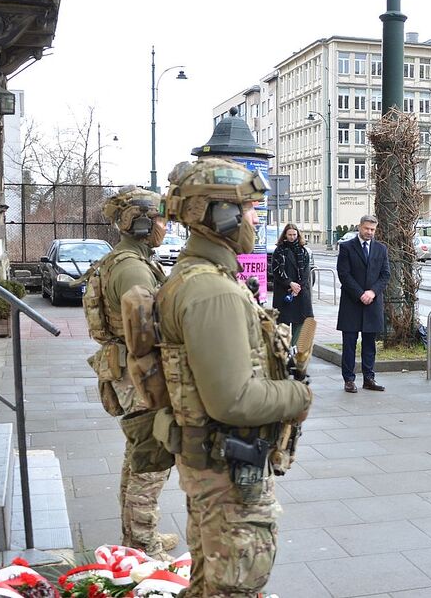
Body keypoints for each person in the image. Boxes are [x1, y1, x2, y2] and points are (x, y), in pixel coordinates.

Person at [157, 158, 313, 596]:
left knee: (210, 583)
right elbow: (233, 399)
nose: (255, 218)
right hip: (227, 472)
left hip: (214, 464)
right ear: (219, 215)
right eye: (248, 210)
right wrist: (296, 396)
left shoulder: (204, 278)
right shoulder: (212, 290)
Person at [83, 187, 178, 558]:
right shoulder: (133, 267)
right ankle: (144, 545)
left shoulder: (128, 259)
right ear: (139, 223)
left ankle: (136, 538)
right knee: (151, 461)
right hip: (142, 374)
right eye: (158, 219)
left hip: (130, 369)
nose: (163, 226)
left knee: (138, 456)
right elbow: (150, 328)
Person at [337, 215, 390, 393]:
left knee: (369, 343)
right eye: (367, 228)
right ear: (360, 227)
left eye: (372, 230)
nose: (369, 232)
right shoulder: (346, 247)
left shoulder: (381, 249)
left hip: (372, 303)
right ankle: (349, 380)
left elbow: (385, 275)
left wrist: (372, 292)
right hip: (352, 302)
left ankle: (369, 378)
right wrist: (360, 294)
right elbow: (344, 274)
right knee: (349, 343)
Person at [270, 223, 314, 345]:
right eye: (289, 234)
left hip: (300, 292)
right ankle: (283, 351)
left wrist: (298, 286)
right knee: (283, 323)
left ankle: (295, 350)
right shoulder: (279, 251)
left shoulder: (303, 251)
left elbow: (306, 271)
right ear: (285, 235)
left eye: (294, 234)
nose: (292, 237)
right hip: (284, 292)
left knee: (301, 322)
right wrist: (290, 283)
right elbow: (277, 271)